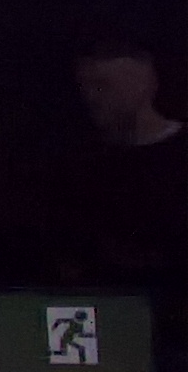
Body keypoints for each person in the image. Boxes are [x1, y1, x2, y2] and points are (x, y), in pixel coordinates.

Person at [56, 30, 188, 296]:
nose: (92, 97)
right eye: (85, 87)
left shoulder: (180, 155)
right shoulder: (85, 165)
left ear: (142, 83)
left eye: (102, 85)